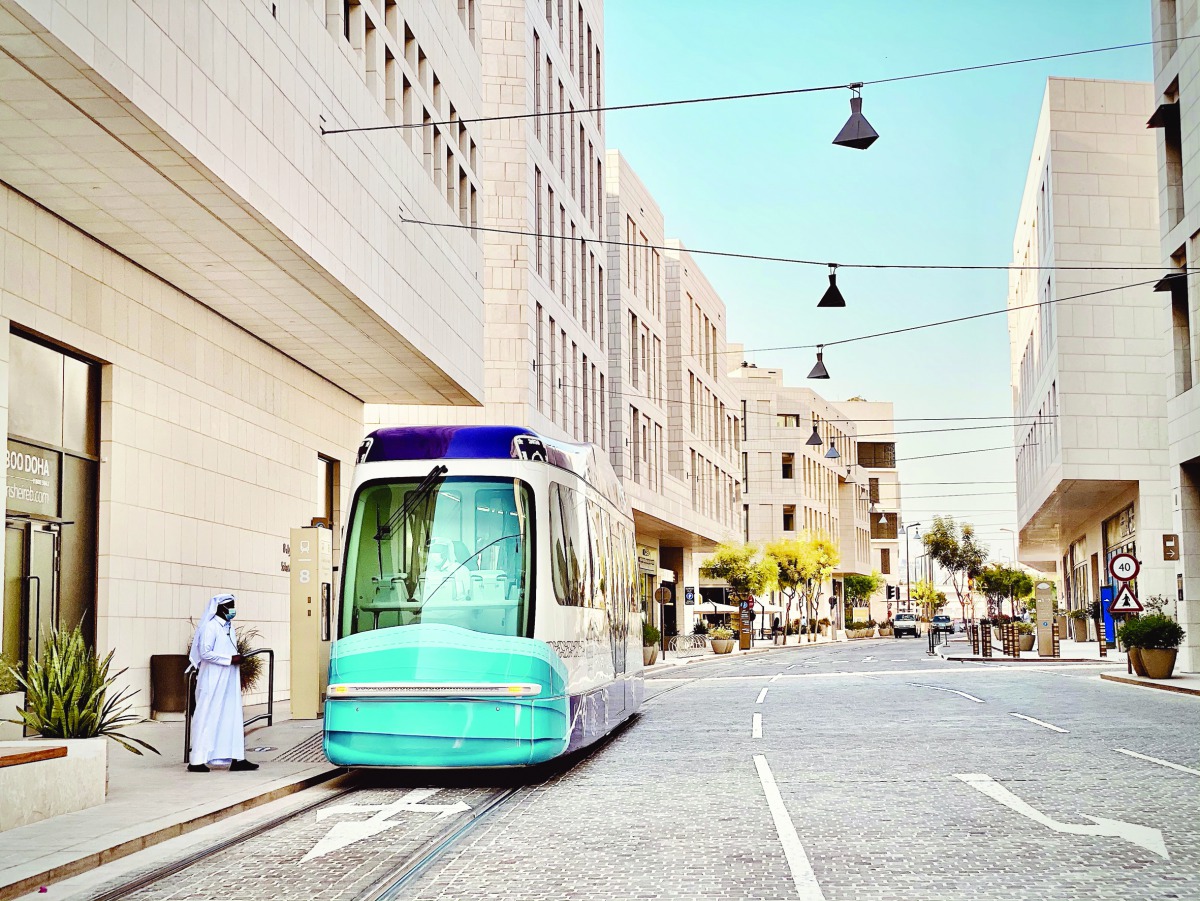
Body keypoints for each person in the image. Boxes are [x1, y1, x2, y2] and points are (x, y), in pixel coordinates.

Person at [187, 593, 259, 773]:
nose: (233, 609)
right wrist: (229, 659)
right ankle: (196, 760)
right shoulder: (210, 627)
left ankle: (236, 758)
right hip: (213, 678)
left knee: (231, 716)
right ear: (220, 608)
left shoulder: (229, 627)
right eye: (230, 605)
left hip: (229, 678)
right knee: (207, 716)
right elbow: (205, 653)